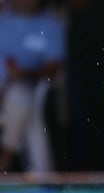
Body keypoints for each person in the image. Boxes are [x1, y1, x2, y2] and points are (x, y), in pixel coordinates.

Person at [0, 0, 65, 173]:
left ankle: (6, 159)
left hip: (30, 89)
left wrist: (24, 74)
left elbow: (54, 66)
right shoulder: (3, 22)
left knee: (20, 97)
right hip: (4, 89)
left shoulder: (51, 25)